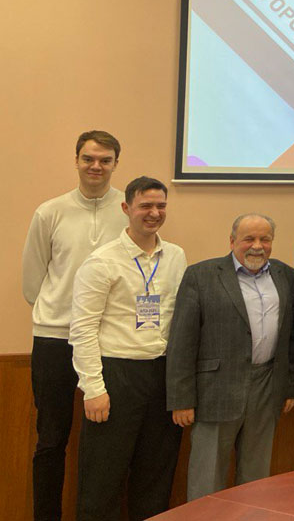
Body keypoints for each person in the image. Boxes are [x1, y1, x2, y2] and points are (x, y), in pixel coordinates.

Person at [21, 130, 127, 521]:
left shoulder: (129, 210)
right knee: (51, 440)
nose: (96, 166)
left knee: (106, 442)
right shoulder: (50, 212)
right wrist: (61, 314)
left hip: (108, 342)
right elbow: (33, 282)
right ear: (77, 160)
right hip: (54, 340)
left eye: (105, 160)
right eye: (88, 158)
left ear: (116, 164)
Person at [69, 176, 187, 521]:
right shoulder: (101, 261)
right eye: (145, 206)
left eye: (161, 206)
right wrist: (93, 388)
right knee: (102, 478)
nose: (154, 213)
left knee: (155, 476)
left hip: (162, 375)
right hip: (116, 376)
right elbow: (83, 328)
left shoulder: (176, 256)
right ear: (126, 208)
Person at [166, 214, 294, 500]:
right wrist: (181, 399)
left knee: (256, 476)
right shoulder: (201, 275)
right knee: (207, 476)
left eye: (265, 239)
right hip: (215, 390)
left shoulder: (286, 275)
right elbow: (182, 341)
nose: (257, 246)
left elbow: (292, 336)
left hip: (266, 386)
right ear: (232, 241)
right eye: (249, 239)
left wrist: (291, 387)